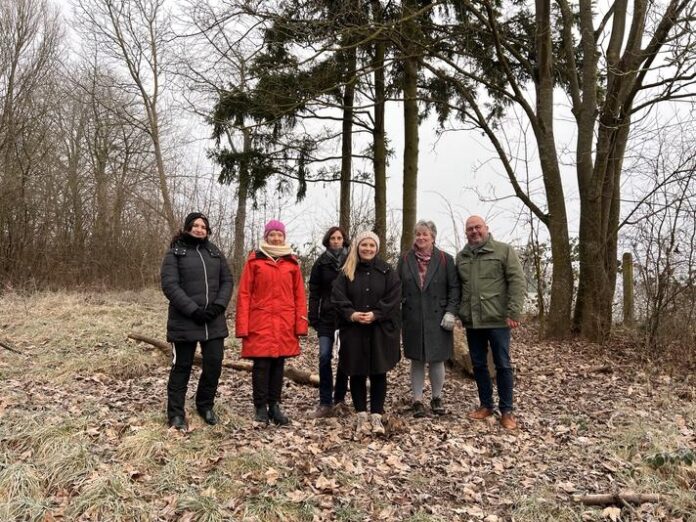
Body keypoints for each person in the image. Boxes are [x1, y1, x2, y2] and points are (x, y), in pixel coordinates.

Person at [161, 212, 234, 431]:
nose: (200, 229)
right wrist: (193, 311)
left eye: (203, 226)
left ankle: (205, 405)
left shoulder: (214, 252)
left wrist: (218, 306)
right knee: (181, 367)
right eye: (195, 225)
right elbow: (170, 286)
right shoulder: (175, 254)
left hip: (213, 321)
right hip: (185, 321)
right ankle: (176, 414)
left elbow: (227, 280)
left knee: (213, 364)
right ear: (187, 228)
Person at [455, 215, 526, 430]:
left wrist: (514, 312)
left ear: (486, 228)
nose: (474, 232)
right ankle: (486, 404)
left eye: (478, 227)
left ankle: (507, 410)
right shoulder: (462, 257)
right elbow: (458, 287)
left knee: (502, 364)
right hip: (473, 321)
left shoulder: (503, 251)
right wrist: (459, 312)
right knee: (478, 365)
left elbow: (517, 280)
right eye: (470, 229)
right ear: (465, 233)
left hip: (497, 319)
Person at [235, 220, 308, 426]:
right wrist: (243, 327)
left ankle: (275, 406)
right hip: (260, 322)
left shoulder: (292, 263)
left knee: (278, 366)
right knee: (261, 365)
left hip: (284, 323)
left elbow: (299, 296)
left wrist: (300, 325)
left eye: (279, 234)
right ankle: (260, 407)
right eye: (272, 234)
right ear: (266, 236)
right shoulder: (254, 261)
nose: (276, 238)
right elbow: (244, 295)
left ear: (284, 237)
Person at [331, 230, 401, 436]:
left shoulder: (387, 271)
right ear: (357, 247)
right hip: (354, 330)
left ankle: (377, 415)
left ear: (377, 248)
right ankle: (361, 414)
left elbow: (394, 297)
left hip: (380, 329)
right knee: (357, 371)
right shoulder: (347, 270)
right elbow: (337, 297)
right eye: (364, 245)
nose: (368, 249)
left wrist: (376, 313)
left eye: (371, 245)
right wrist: (351, 314)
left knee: (379, 372)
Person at [398, 220, 460, 417]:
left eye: (425, 234)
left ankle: (436, 397)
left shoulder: (445, 260)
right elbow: (396, 288)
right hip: (413, 316)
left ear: (433, 237)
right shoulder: (405, 259)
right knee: (416, 359)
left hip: (439, 318)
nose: (421, 238)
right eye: (418, 234)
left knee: (436, 359)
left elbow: (454, 289)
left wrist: (451, 311)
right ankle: (417, 400)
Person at [308, 226, 351, 418]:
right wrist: (313, 315)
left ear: (344, 240)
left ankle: (340, 399)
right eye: (333, 238)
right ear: (328, 241)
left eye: (339, 238)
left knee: (344, 358)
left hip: (345, 318)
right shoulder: (321, 263)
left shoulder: (351, 261)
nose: (336, 241)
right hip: (326, 316)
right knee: (324, 357)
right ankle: (325, 402)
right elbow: (314, 291)